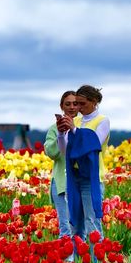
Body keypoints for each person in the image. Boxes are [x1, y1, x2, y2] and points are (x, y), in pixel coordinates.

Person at [57, 85, 109, 256]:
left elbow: (93, 144)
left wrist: (73, 130)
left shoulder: (102, 121)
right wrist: (61, 134)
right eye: (76, 103)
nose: (78, 107)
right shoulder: (77, 121)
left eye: (82, 103)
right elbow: (65, 151)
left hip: (91, 178)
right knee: (75, 225)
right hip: (75, 177)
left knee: (92, 223)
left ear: (94, 102)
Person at [44, 90, 78, 239]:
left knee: (79, 228)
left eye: (75, 104)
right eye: (68, 104)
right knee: (66, 228)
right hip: (61, 182)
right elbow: (52, 152)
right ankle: (66, 254)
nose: (72, 107)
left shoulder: (84, 126)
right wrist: (60, 134)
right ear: (61, 107)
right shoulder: (54, 128)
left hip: (81, 182)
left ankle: (78, 254)